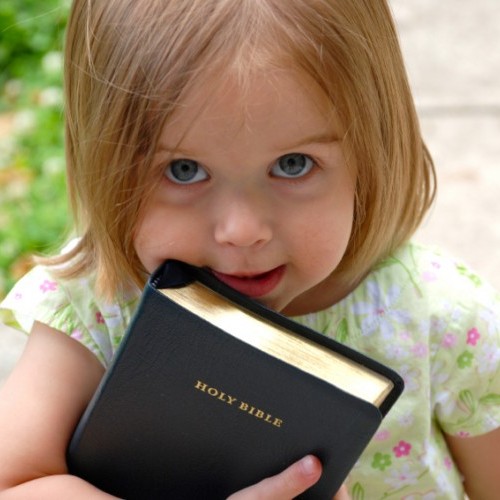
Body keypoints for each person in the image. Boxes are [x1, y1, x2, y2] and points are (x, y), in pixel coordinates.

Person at [0, 0, 499, 497]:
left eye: (294, 164)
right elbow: (17, 482)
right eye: (184, 170)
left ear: (372, 155)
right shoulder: (95, 310)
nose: (242, 230)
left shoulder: (439, 318)